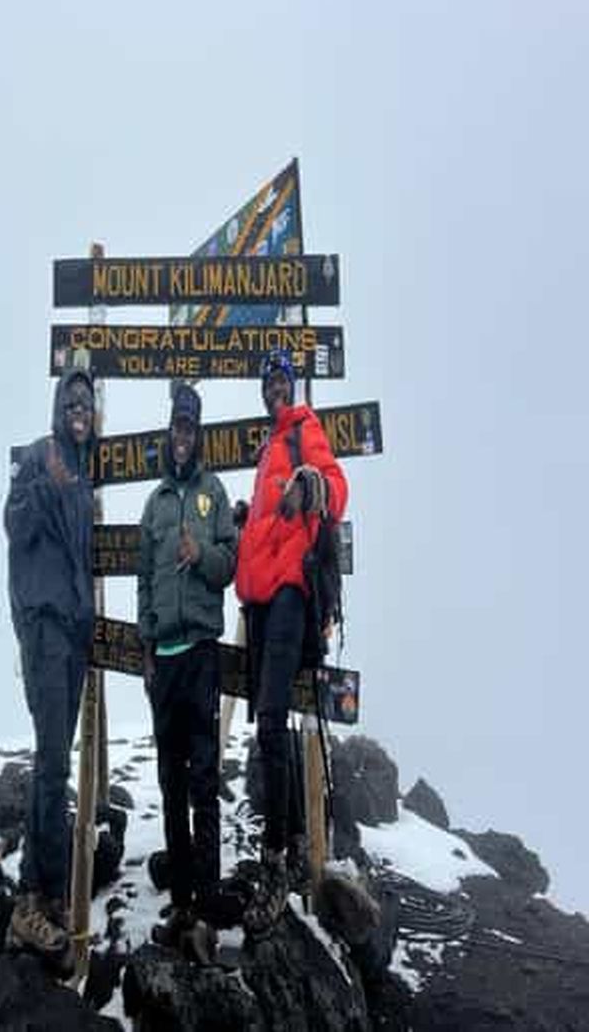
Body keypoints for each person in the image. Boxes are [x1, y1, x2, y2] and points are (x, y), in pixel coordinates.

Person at [235, 350, 348, 935]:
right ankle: (298, 842)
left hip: (287, 593)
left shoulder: (305, 429)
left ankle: (276, 860)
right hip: (259, 598)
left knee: (272, 721)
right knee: (270, 719)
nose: (274, 388)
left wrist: (313, 485)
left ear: (292, 385)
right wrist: (246, 522)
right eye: (268, 382)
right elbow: (270, 521)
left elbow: (337, 488)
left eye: (281, 379)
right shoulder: (268, 449)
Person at [137, 383, 237, 963]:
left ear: (198, 436)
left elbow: (230, 565)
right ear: (169, 432)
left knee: (203, 781)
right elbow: (143, 580)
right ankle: (180, 904)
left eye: (190, 428)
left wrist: (202, 556)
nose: (182, 436)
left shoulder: (213, 492)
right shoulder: (154, 503)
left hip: (200, 652)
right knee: (170, 784)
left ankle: (207, 904)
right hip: (164, 663)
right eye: (177, 427)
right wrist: (146, 648)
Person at [3, 366, 96, 974]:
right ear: (58, 408)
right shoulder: (40, 458)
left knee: (54, 761)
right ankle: (38, 898)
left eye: (86, 404)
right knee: (53, 763)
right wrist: (44, 486)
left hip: (73, 632)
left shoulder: (84, 477)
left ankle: (41, 898)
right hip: (42, 625)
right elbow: (13, 525)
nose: (79, 411)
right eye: (71, 403)